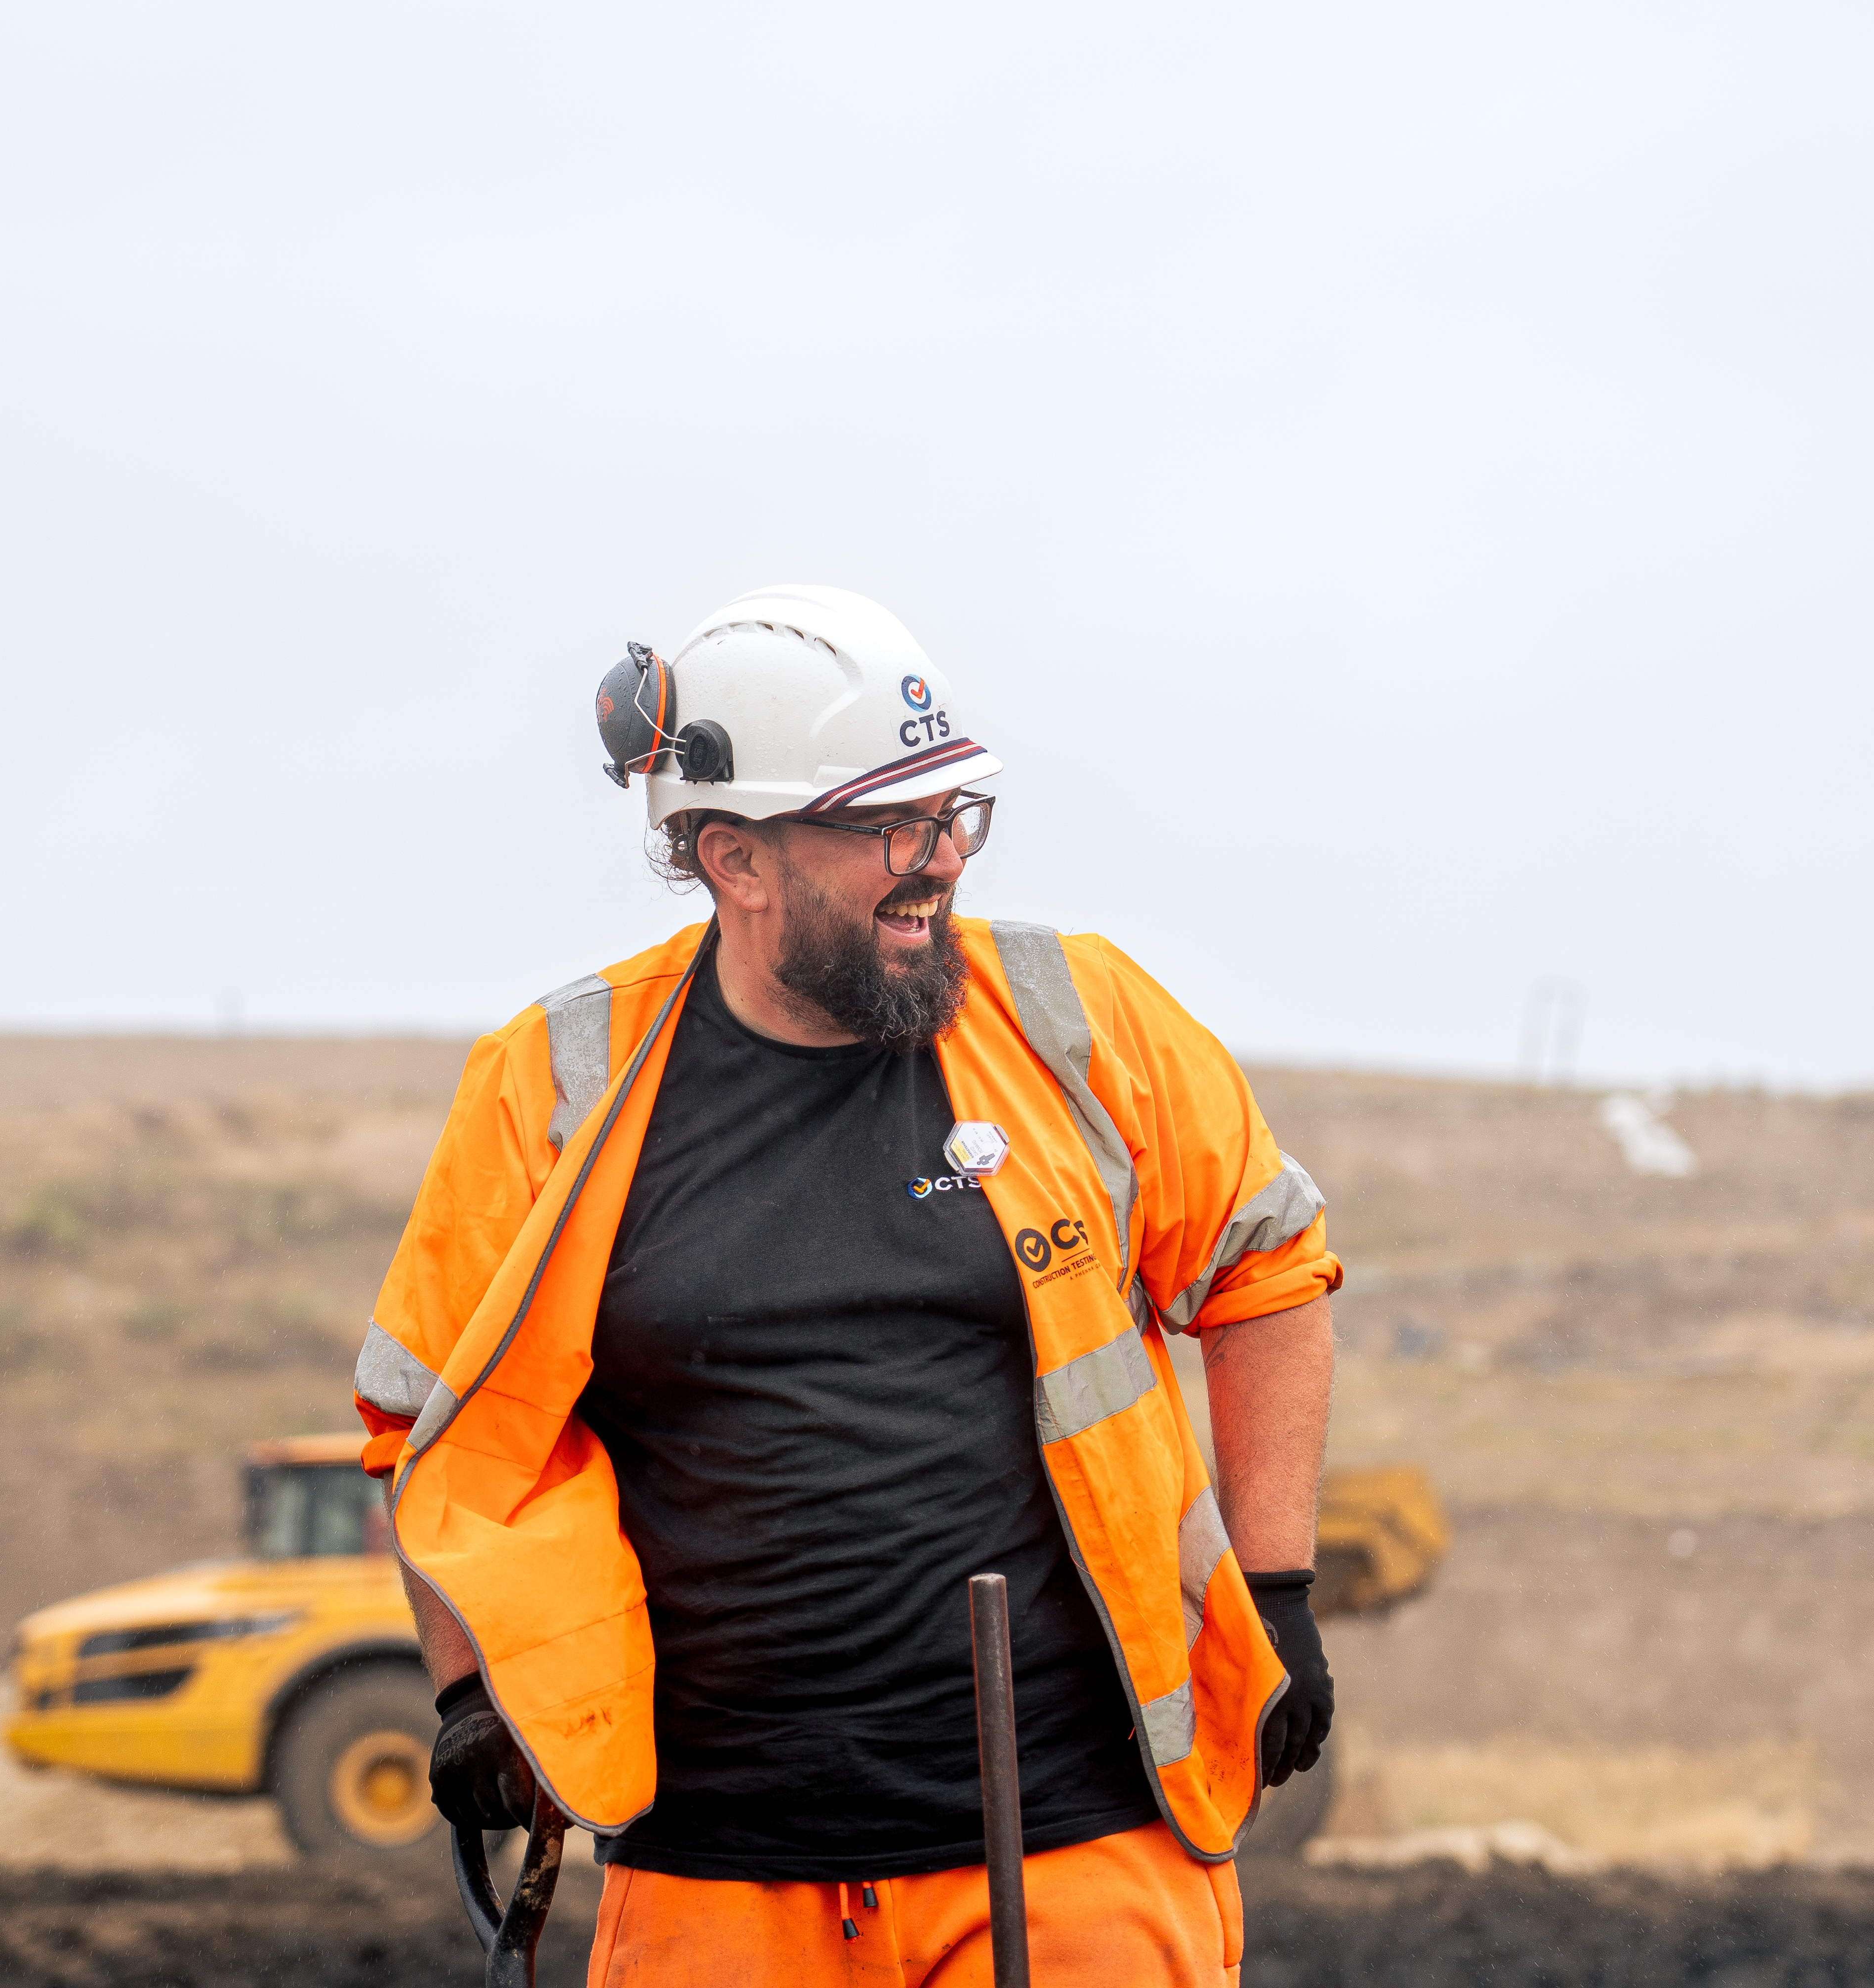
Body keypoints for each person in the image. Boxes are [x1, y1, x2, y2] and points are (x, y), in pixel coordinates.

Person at [352, 584, 1339, 1985]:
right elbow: (427, 1422)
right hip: (714, 1876)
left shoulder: (1076, 1017)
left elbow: (1266, 1269)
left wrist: (1277, 1584)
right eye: (891, 825)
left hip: (1073, 1847)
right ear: (736, 859)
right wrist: (468, 1691)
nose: (941, 858)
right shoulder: (556, 1087)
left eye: (954, 814)